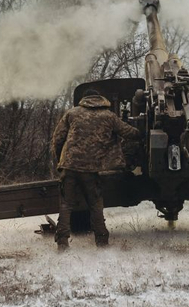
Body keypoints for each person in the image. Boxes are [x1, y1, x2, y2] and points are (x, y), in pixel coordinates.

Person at [50, 89, 141, 251]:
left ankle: (62, 242)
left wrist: (61, 160)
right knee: (95, 204)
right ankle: (101, 241)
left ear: (84, 99)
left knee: (66, 205)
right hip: (91, 169)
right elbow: (130, 133)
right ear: (100, 99)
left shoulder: (72, 113)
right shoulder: (109, 116)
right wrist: (144, 130)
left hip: (69, 166)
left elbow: (58, 138)